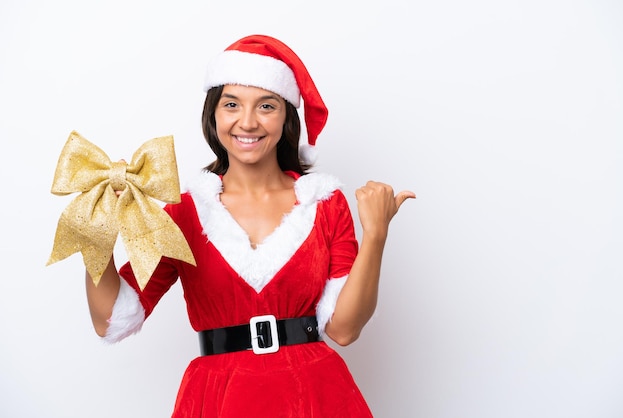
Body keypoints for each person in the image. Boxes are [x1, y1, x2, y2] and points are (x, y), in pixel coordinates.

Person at [85, 34, 415, 417]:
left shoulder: (324, 204)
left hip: (315, 393)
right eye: (231, 105)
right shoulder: (185, 212)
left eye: (266, 106)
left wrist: (375, 235)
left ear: (286, 115)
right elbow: (111, 320)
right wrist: (96, 239)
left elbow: (344, 329)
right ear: (213, 114)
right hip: (219, 398)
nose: (248, 121)